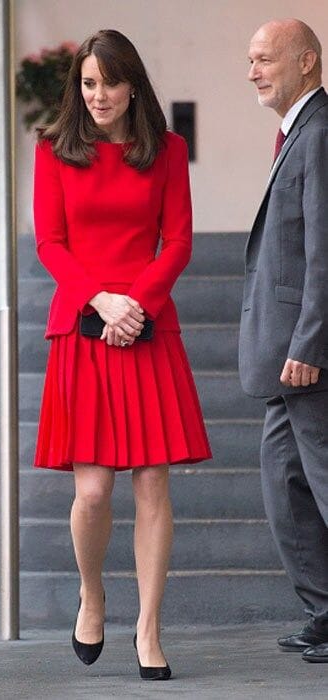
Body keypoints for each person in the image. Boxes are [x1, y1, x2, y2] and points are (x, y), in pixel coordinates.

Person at [32, 29, 211, 680]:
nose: (98, 94)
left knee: (154, 483)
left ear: (132, 84)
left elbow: (179, 242)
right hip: (83, 327)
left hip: (149, 324)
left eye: (108, 82)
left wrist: (136, 305)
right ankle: (93, 593)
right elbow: (51, 244)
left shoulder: (166, 150)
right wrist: (103, 303)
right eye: (88, 83)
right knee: (93, 490)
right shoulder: (54, 152)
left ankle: (148, 627)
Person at [239, 18, 328, 663]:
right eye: (250, 60)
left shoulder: (320, 133)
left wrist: (311, 343)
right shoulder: (298, 132)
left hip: (307, 356)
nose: (252, 71)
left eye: (264, 58)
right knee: (282, 483)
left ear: (307, 62)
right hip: (282, 355)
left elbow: (326, 254)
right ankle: (324, 611)